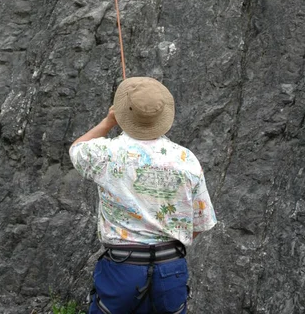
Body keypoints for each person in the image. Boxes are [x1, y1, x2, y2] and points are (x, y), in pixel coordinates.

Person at [69, 77, 217, 314]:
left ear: (122, 113)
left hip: (121, 267)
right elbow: (199, 222)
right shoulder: (186, 159)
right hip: (171, 268)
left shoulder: (105, 153)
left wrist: (108, 122)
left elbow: (76, 148)